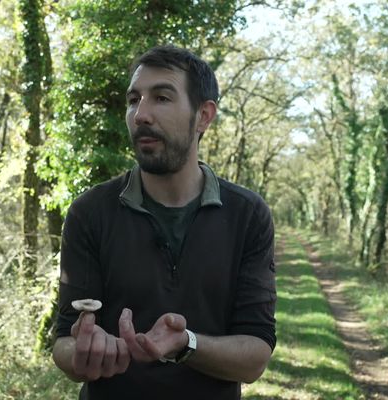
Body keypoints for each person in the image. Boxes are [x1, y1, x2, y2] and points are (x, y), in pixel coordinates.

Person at [52, 45, 276, 400]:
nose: (141, 114)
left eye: (162, 98)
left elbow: (254, 356)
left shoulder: (247, 214)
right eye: (133, 99)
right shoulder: (90, 212)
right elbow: (64, 341)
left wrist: (184, 344)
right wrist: (86, 352)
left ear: (203, 116)